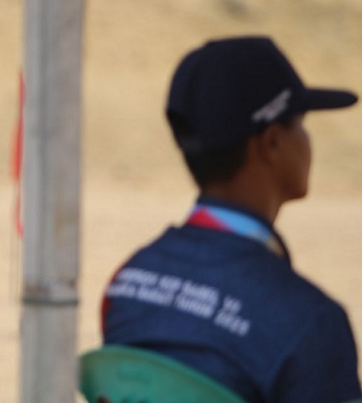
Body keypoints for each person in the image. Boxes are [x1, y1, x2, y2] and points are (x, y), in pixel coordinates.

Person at [100, 36, 362, 403]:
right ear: (272, 143)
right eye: (301, 124)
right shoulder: (311, 322)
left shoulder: (128, 282)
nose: (307, 140)